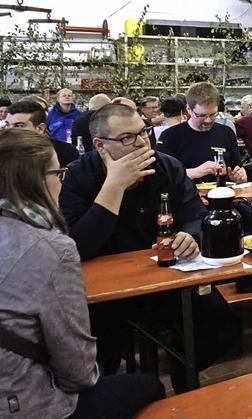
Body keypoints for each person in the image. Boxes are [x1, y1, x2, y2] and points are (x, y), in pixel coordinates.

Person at [59, 103, 242, 393]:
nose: (142, 142)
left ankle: (183, 372)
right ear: (100, 145)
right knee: (97, 354)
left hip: (168, 274)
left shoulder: (166, 166)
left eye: (143, 132)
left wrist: (189, 235)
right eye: (127, 138)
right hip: (104, 290)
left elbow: (195, 214)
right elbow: (78, 247)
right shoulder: (77, 176)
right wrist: (115, 186)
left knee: (222, 327)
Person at [0, 128, 165, 418]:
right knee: (150, 385)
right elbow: (79, 373)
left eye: (143, 133)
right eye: (57, 174)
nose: (61, 182)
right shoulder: (50, 247)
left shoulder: (166, 167)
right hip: (26, 403)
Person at [156, 82, 247, 184]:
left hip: (221, 195)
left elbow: (237, 169)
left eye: (213, 114)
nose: (208, 120)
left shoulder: (226, 133)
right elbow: (160, 176)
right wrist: (194, 172)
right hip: (184, 196)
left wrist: (239, 176)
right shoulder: (170, 136)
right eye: (202, 115)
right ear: (189, 109)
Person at [6, 100, 79, 166]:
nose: (10, 130)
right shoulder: (4, 153)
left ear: (40, 128)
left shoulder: (65, 152)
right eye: (7, 125)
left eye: (19, 126)